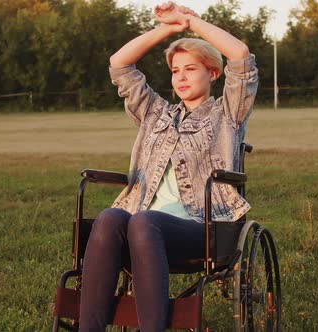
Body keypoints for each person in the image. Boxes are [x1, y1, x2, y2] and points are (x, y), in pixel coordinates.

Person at [79, 2, 258, 331]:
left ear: (212, 73)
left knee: (144, 222)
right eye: (176, 71)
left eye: (191, 68)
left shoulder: (227, 114)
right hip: (143, 222)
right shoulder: (155, 113)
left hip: (204, 227)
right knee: (109, 217)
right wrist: (168, 29)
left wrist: (191, 21)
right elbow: (119, 64)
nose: (181, 77)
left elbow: (241, 56)